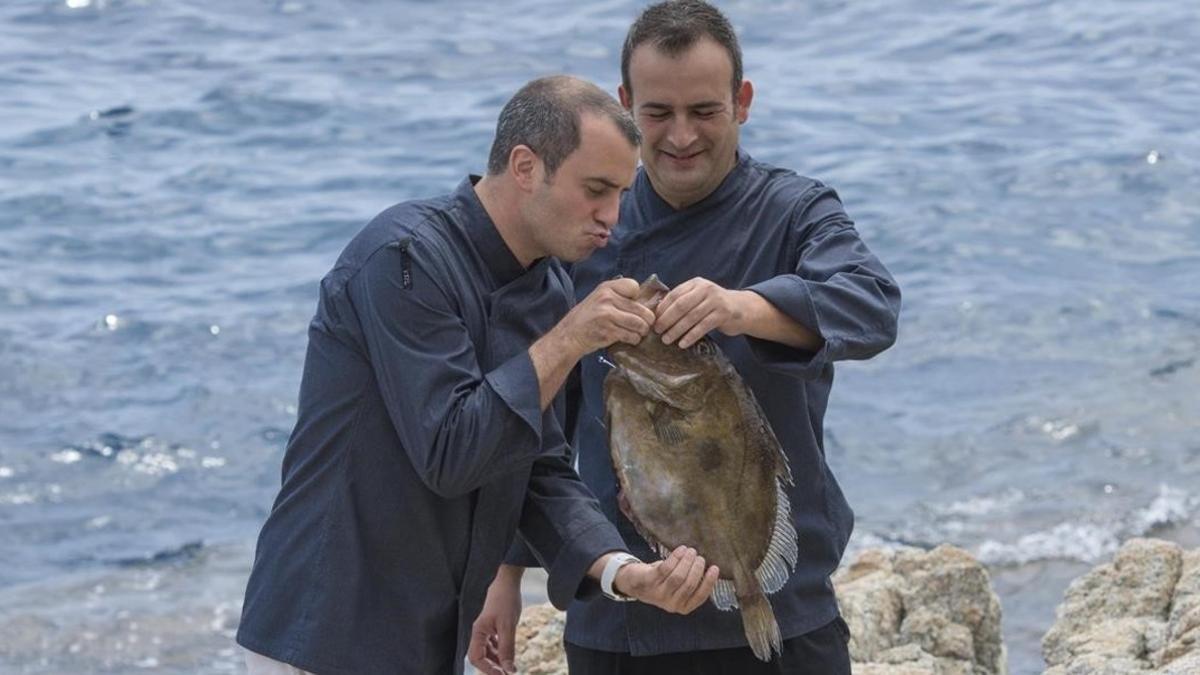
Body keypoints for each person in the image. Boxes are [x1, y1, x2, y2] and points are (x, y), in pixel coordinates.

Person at [235, 75, 720, 675]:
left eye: (622, 193)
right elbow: (451, 451)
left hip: (427, 637)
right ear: (524, 166)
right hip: (327, 633)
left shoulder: (547, 286)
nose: (612, 220)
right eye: (596, 190)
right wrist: (569, 339)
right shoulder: (403, 258)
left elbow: (536, 468)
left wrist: (624, 572)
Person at [470, 2, 902, 674]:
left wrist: (744, 307)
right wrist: (503, 579)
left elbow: (873, 307)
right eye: (657, 113)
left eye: (704, 111)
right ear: (624, 107)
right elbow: (541, 422)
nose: (680, 136)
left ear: (743, 101)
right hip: (620, 620)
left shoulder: (796, 213)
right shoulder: (585, 233)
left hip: (787, 613)